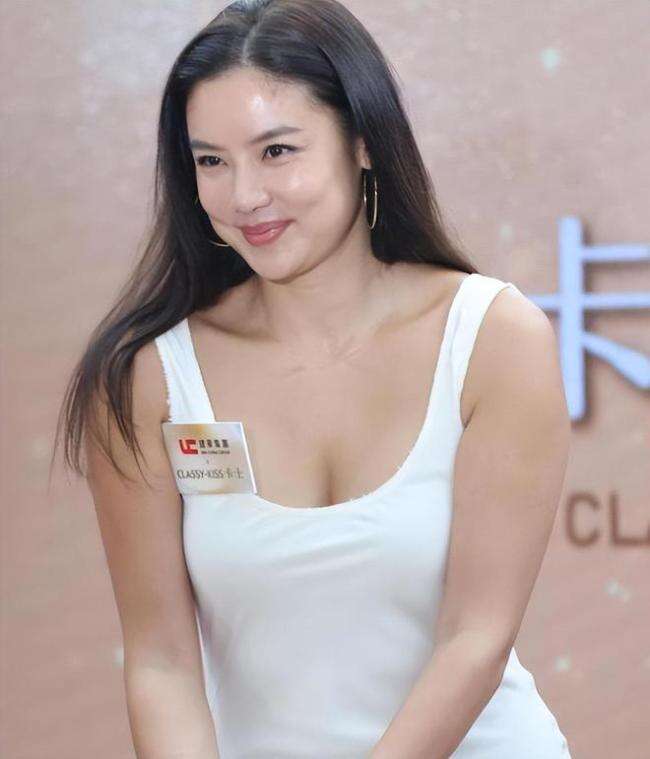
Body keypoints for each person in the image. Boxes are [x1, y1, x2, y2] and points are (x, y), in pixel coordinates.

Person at [53, 0, 573, 756]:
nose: (244, 196)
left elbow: (477, 638)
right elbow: (161, 661)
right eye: (211, 161)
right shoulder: (151, 375)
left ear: (362, 141)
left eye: (277, 151)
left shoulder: (493, 336)